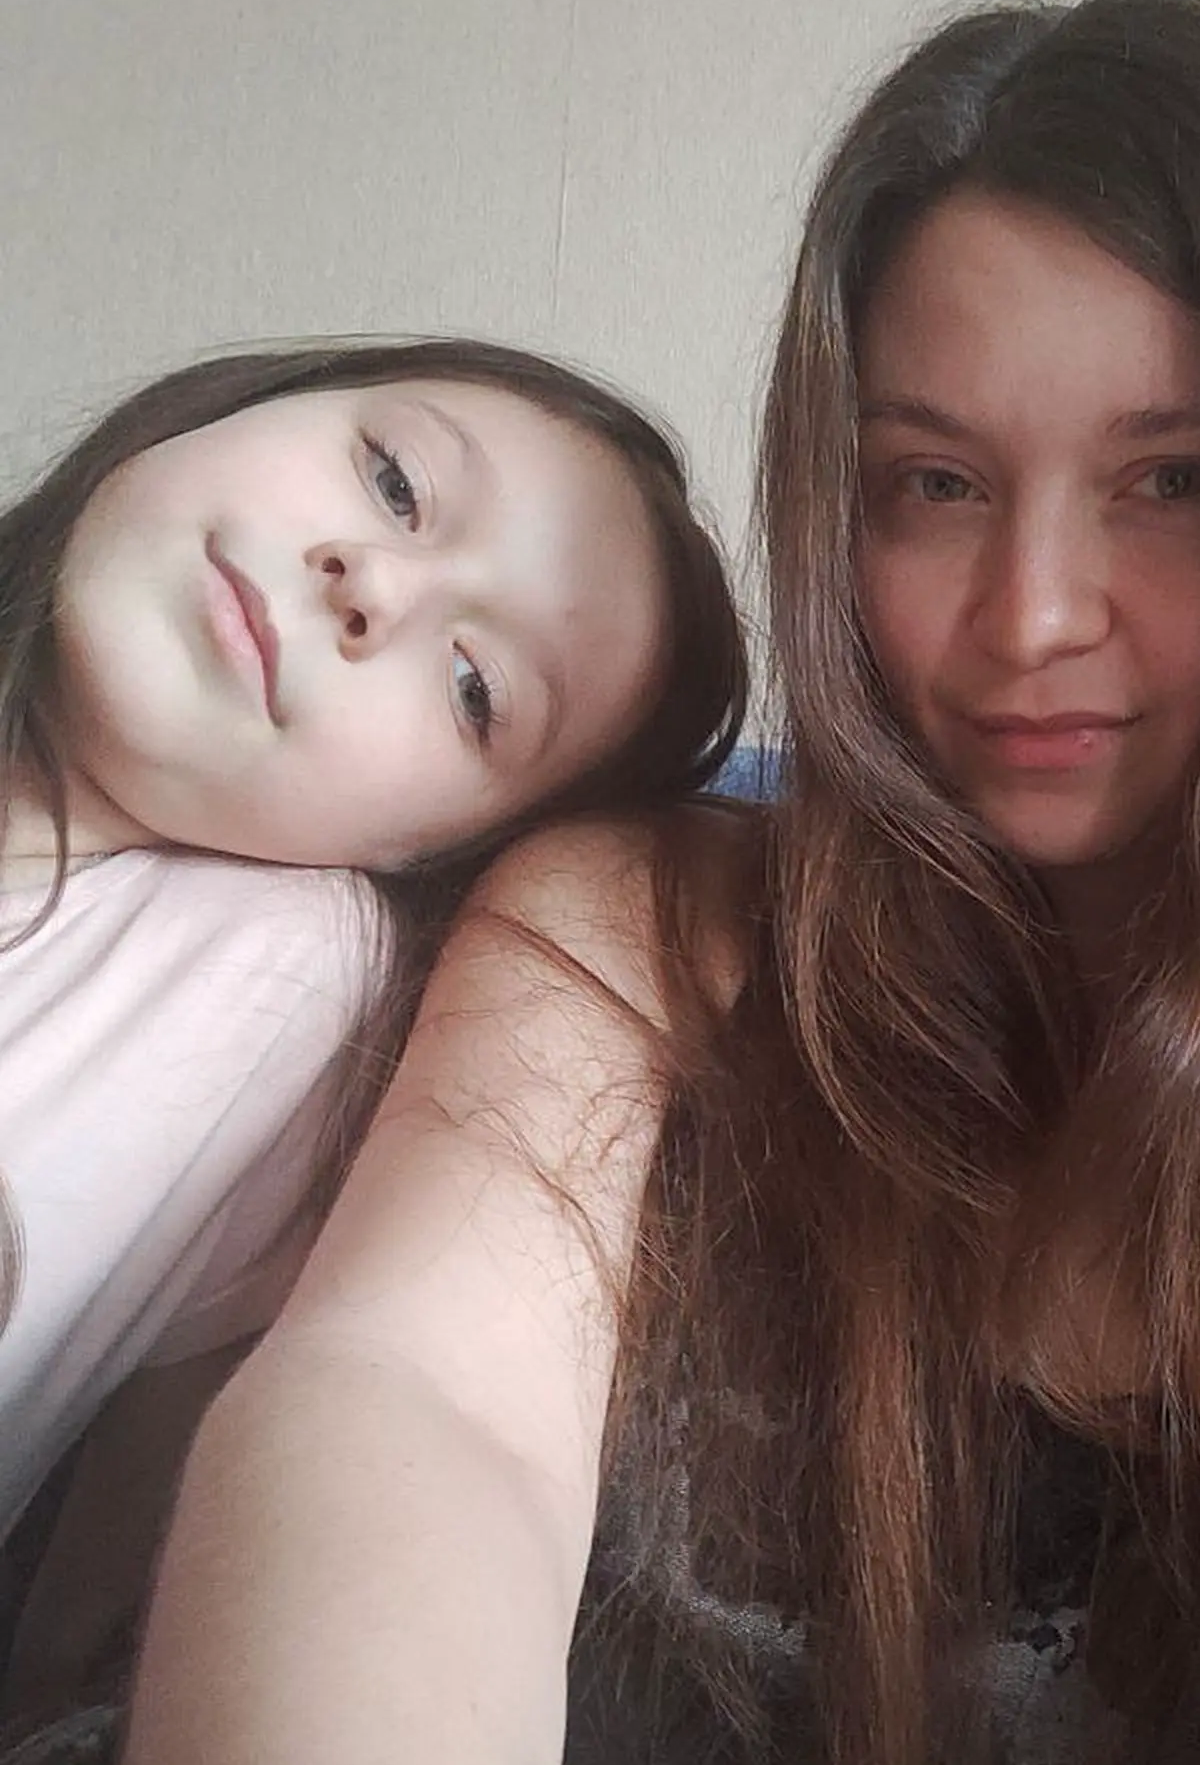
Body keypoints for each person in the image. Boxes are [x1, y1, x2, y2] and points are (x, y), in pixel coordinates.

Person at [80, 0, 1200, 1765]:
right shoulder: (654, 912)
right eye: (935, 483)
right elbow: (411, 1419)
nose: (1031, 617)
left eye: (1176, 482)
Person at [0, 334, 744, 1649]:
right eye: (395, 480)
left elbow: (94, 1645)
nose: (375, 585)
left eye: (474, 691)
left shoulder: (277, 984)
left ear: (429, 853)